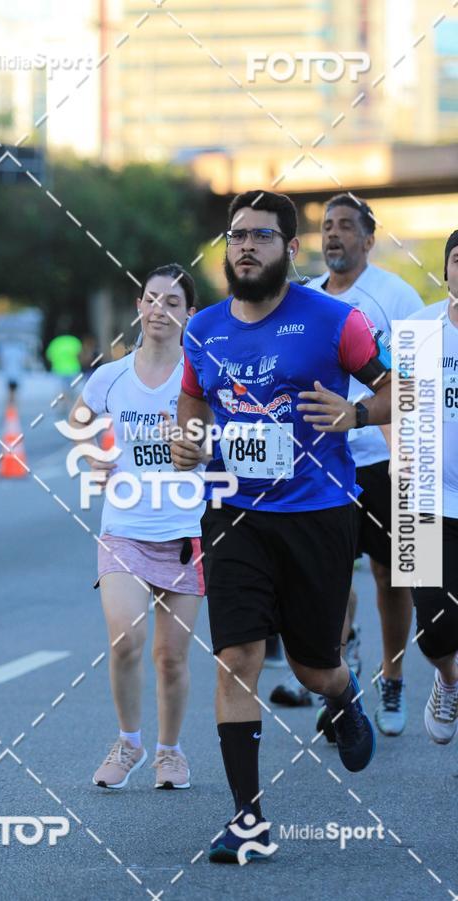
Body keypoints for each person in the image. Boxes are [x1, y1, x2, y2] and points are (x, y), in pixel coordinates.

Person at [171, 190, 391, 862]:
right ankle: (247, 819)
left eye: (262, 236)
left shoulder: (335, 320)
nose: (246, 247)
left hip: (318, 514)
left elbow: (396, 390)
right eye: (237, 235)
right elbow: (192, 397)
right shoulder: (203, 328)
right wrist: (188, 437)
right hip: (234, 512)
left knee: (311, 663)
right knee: (236, 657)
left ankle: (343, 693)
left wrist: (354, 416)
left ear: (290, 250)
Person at [282, 194, 422, 736]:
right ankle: (343, 679)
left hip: (391, 458)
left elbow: (416, 385)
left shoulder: (397, 296)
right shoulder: (307, 298)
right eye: (326, 227)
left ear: (369, 238)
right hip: (324, 464)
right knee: (330, 580)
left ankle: (393, 678)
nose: (333, 235)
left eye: (346, 226)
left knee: (395, 574)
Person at [68, 264, 205, 791]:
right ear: (138, 307)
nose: (159, 311)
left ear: (188, 314)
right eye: (151, 300)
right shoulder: (111, 376)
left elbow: (221, 445)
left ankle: (169, 754)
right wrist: (91, 458)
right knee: (126, 638)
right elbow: (78, 427)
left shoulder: (200, 377)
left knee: (171, 657)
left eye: (172, 303)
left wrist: (199, 451)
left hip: (184, 529)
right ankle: (128, 742)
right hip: (124, 524)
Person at [407, 230, 458, 744]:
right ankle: (448, 678)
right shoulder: (420, 330)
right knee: (435, 629)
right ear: (446, 270)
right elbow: (385, 397)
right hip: (425, 500)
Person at [46, 332, 82, 410]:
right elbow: (80, 354)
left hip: (59, 370)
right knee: (72, 389)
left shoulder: (55, 342)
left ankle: (64, 406)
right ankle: (72, 406)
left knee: (62, 389)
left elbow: (49, 356)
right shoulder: (74, 341)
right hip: (73, 369)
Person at [0, 335, 28, 406]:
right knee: (15, 393)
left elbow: (1, 361)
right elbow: (24, 361)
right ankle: (13, 408)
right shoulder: (19, 350)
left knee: (9, 392)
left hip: (9, 374)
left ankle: (10, 408)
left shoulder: (5, 350)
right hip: (16, 374)